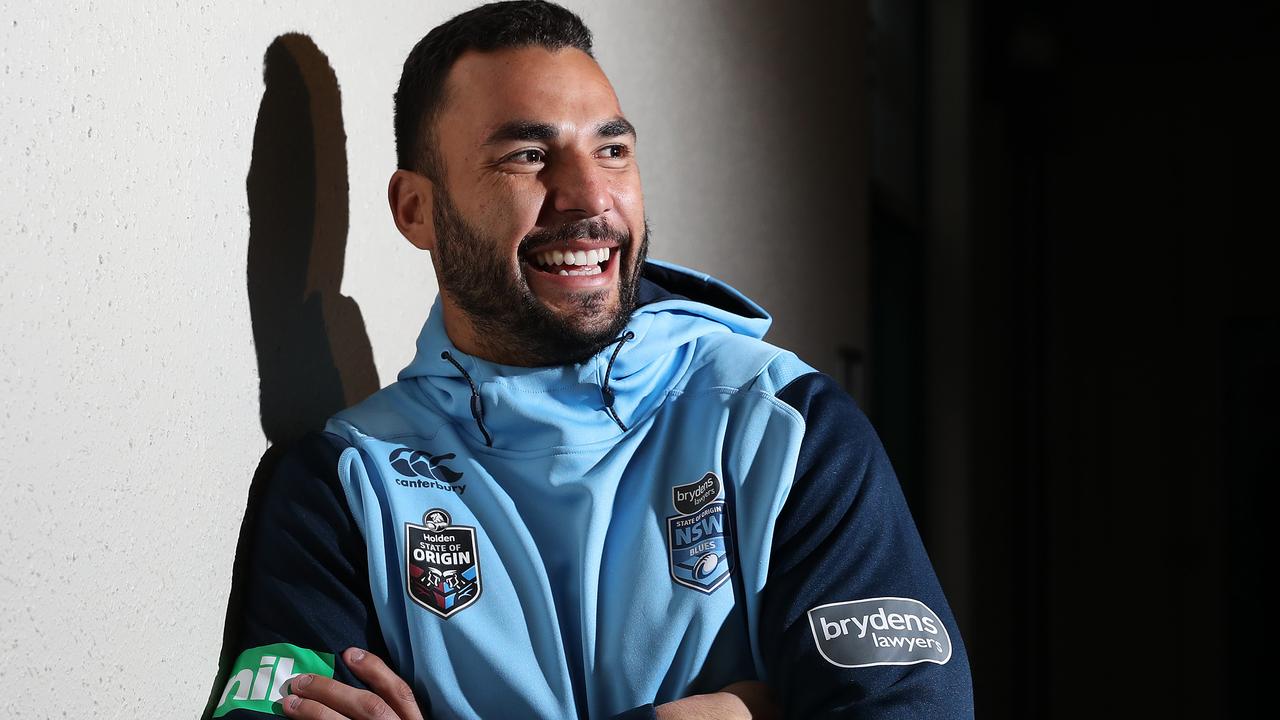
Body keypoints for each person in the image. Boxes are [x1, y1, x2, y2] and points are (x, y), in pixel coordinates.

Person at [209, 2, 974, 718]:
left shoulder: (785, 425)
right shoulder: (343, 484)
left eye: (612, 150)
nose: (588, 196)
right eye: (528, 155)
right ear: (417, 209)